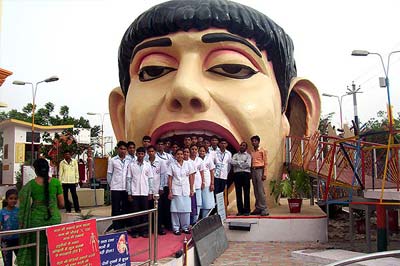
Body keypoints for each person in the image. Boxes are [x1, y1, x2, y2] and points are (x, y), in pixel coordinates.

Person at [109, 0, 321, 209]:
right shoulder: (155, 161)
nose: (184, 88)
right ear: (120, 118)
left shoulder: (231, 157)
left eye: (231, 67)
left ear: (294, 114)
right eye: (154, 70)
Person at [17, 158, 64, 266]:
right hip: (54, 220)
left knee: (38, 250)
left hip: (36, 222)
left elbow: (22, 201)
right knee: (54, 250)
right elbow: (61, 204)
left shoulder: (30, 185)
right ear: (47, 169)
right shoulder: (56, 183)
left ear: (35, 170)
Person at [126, 147, 153, 238]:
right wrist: (129, 193)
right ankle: (135, 231)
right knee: (135, 213)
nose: (140, 155)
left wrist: (150, 192)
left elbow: (150, 179)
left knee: (145, 213)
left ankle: (144, 231)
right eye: (139, 154)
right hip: (135, 192)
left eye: (142, 154)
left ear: (144, 155)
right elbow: (129, 179)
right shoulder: (131, 165)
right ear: (136, 154)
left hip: (145, 192)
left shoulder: (147, 165)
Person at [167, 149, 195, 235]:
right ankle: (176, 228)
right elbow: (170, 178)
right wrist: (170, 191)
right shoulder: (172, 165)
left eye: (181, 154)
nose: (180, 155)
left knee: (186, 210)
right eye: (178, 154)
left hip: (186, 189)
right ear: (175, 156)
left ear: (184, 155)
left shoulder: (188, 164)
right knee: (175, 210)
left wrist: (191, 189)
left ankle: (185, 227)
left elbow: (191, 177)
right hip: (176, 189)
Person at [107, 141, 129, 230]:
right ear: (117, 149)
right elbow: (109, 174)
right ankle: (116, 226)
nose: (123, 151)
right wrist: (111, 185)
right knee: (115, 208)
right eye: (121, 149)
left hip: (126, 188)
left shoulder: (129, 160)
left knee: (125, 207)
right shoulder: (112, 160)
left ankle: (123, 225)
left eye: (124, 149)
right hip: (116, 188)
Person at [147, 145, 167, 235]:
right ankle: (150, 228)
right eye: (149, 151)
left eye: (152, 151)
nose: (151, 153)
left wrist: (161, 187)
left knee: (159, 210)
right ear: (147, 152)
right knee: (149, 209)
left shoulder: (161, 162)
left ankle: (159, 228)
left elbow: (163, 175)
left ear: (155, 152)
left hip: (158, 189)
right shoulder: (145, 162)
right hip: (147, 190)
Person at [231, 142, 252, 216]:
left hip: (246, 175)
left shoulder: (248, 156)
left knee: (246, 193)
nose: (242, 147)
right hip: (237, 175)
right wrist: (242, 163)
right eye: (241, 145)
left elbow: (248, 165)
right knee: (238, 193)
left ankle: (247, 210)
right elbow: (232, 162)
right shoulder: (235, 155)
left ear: (246, 147)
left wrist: (238, 163)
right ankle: (240, 211)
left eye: (244, 145)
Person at [250, 135, 269, 216]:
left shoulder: (262, 150)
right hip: (253, 170)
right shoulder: (251, 152)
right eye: (253, 141)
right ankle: (258, 207)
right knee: (256, 190)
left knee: (261, 190)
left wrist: (264, 174)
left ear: (258, 142)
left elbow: (266, 163)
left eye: (255, 141)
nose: (254, 142)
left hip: (260, 170)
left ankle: (264, 208)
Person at [0, 189, 19, 266]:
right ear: (7, 199)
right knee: (7, 262)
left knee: (21, 260)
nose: (13, 200)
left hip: (17, 239)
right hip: (5, 241)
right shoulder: (2, 212)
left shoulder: (19, 211)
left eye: (15, 199)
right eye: (11, 198)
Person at [198, 146, 215, 218]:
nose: (202, 152)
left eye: (203, 151)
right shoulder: (196, 159)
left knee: (207, 202)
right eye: (200, 151)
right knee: (199, 202)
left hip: (207, 182)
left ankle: (205, 218)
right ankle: (197, 219)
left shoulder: (209, 158)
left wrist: (212, 183)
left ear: (205, 152)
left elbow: (212, 171)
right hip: (198, 183)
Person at [189, 144, 204, 224]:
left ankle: (195, 221)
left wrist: (203, 182)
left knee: (198, 203)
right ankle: (189, 221)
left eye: (195, 149)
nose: (194, 151)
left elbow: (202, 172)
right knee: (190, 204)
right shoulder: (187, 160)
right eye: (192, 149)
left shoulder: (199, 160)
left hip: (198, 183)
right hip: (189, 185)